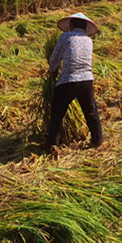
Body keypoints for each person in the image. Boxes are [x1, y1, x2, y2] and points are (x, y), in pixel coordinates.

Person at [45, 13, 104, 150]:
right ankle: (98, 140)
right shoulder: (89, 41)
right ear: (85, 27)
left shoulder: (66, 36)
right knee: (91, 111)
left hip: (69, 80)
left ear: (71, 25)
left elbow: (55, 57)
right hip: (87, 81)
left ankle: (52, 143)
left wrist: (52, 70)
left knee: (57, 111)